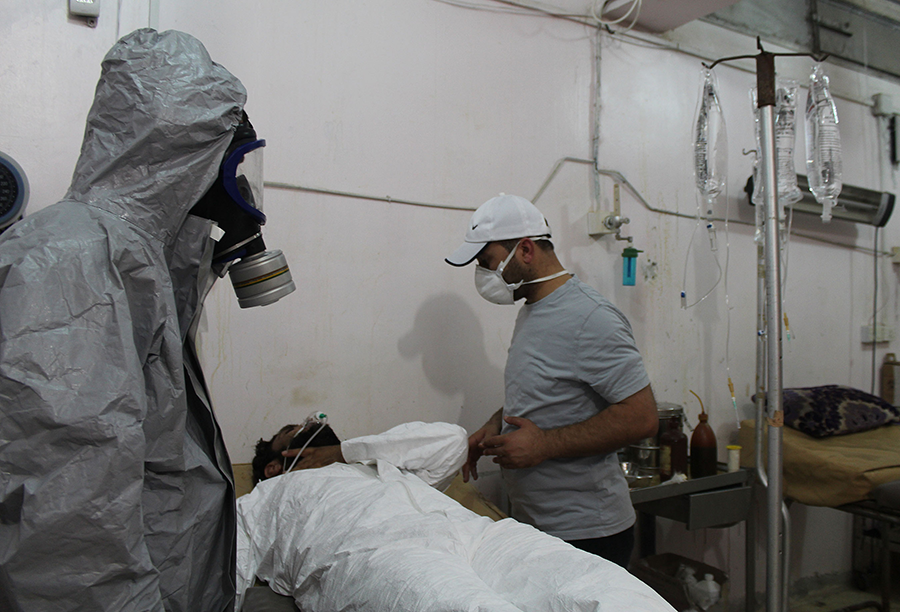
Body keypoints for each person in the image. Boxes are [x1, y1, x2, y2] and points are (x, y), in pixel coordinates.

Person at [0, 29, 293, 612]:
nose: (238, 190)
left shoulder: (130, 261)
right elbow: (70, 533)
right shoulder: (77, 264)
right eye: (231, 165)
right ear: (179, 160)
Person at [237, 421, 675, 612]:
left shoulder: (377, 462)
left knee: (609, 590)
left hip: (482, 538)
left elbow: (449, 441)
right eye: (292, 431)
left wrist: (348, 450)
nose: (306, 425)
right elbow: (225, 565)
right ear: (276, 464)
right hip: (378, 551)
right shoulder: (269, 496)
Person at [445, 194, 658, 568]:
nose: (483, 274)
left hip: (589, 535)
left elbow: (641, 417)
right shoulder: (534, 309)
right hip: (542, 528)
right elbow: (547, 388)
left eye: (487, 262)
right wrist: (495, 425)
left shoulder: (591, 317)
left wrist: (544, 443)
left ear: (525, 250)